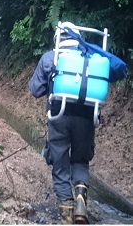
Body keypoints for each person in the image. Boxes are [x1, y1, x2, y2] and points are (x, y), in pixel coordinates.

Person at [28, 21, 94, 225]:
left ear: (58, 39)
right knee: (80, 159)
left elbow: (35, 90)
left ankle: (66, 212)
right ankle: (81, 195)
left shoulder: (50, 57)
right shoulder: (90, 58)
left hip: (59, 116)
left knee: (60, 160)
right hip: (86, 118)